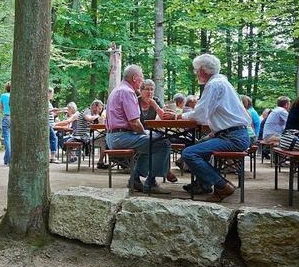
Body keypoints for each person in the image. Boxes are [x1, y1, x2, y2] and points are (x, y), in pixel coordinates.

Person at [180, 54, 251, 201]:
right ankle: (203, 184)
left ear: (203, 70)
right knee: (199, 145)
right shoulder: (222, 82)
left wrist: (180, 116)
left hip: (233, 138)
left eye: (196, 70)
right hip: (235, 134)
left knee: (189, 153)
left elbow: (200, 115)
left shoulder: (214, 84)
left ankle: (222, 186)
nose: (195, 73)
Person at [105, 65, 172, 194]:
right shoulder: (128, 92)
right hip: (121, 137)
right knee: (163, 143)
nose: (142, 80)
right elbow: (135, 123)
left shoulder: (118, 89)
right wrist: (145, 132)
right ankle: (151, 183)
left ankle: (135, 179)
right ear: (135, 78)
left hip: (113, 136)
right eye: (141, 77)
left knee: (150, 144)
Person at [137, 79, 176, 182]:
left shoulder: (156, 100)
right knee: (159, 142)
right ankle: (164, 172)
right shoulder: (135, 101)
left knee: (163, 139)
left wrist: (155, 105)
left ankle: (161, 172)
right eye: (147, 89)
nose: (150, 92)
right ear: (141, 91)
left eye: (152, 90)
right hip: (138, 131)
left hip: (153, 131)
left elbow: (164, 118)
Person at [76, 100, 106, 168]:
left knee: (105, 137)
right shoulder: (87, 110)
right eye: (100, 109)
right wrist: (98, 116)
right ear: (95, 107)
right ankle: (100, 162)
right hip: (83, 136)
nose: (100, 111)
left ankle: (102, 161)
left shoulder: (91, 114)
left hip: (86, 136)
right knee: (104, 139)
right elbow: (88, 118)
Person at [0, 82, 11, 166]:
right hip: (15, 118)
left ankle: (8, 160)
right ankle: (7, 160)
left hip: (6, 117)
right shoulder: (17, 96)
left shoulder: (3, 96)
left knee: (7, 139)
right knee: (13, 139)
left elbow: (1, 108)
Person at [47, 88, 58, 163]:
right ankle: (53, 157)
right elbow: (44, 110)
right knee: (54, 138)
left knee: (52, 139)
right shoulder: (45, 102)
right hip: (48, 124)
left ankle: (52, 156)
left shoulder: (49, 102)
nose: (52, 95)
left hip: (50, 123)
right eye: (52, 94)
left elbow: (50, 113)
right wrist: (52, 110)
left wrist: (54, 113)